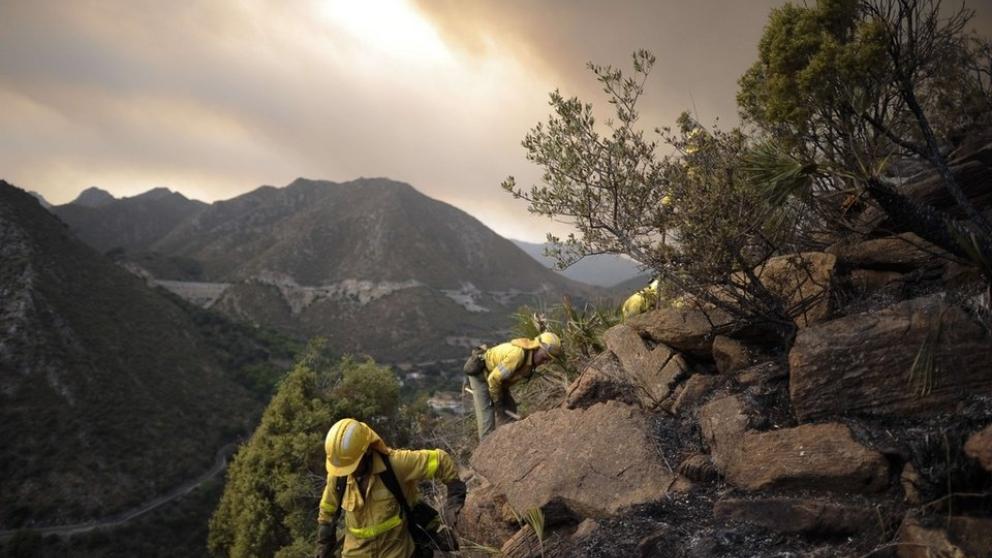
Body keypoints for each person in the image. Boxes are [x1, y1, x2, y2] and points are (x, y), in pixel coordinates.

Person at [315, 418, 467, 558]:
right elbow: (328, 509)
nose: (349, 472)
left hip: (398, 553)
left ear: (367, 451)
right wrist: (324, 543)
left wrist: (455, 493)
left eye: (352, 465)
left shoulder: (396, 465)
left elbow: (440, 460)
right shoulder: (339, 476)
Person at [464, 331, 562, 440]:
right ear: (536, 348)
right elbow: (494, 379)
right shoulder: (518, 355)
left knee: (510, 408)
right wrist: (497, 399)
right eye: (544, 357)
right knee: (487, 414)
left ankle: (507, 441)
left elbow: (503, 379)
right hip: (481, 376)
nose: (545, 362)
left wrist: (501, 399)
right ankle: (486, 446)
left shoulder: (530, 361)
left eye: (548, 360)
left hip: (498, 380)